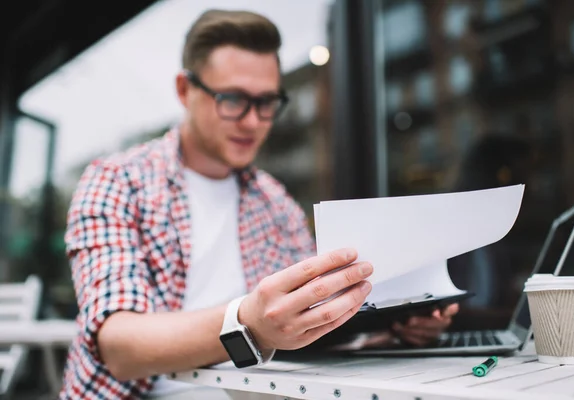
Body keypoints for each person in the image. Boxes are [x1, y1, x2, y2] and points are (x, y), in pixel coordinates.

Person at [59, 9, 458, 399]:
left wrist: (392, 329)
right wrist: (246, 324)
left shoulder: (276, 203)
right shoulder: (116, 182)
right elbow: (119, 349)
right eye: (233, 100)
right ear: (184, 90)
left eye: (266, 102)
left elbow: (304, 325)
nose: (253, 122)